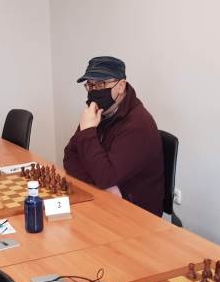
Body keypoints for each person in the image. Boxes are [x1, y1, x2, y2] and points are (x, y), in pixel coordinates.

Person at [63, 56, 164, 216]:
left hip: (137, 214)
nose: (94, 91)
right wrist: (103, 184)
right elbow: (69, 157)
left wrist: (88, 131)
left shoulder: (138, 125)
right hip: (104, 199)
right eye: (90, 85)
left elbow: (105, 176)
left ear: (121, 86)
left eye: (101, 84)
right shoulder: (97, 112)